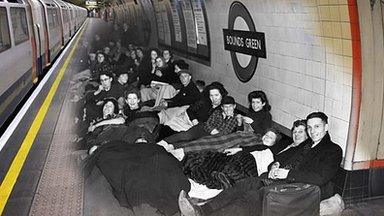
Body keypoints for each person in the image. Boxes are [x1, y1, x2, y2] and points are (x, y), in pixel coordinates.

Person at [178, 112, 342, 216]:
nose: (313, 131)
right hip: (282, 181)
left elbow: (320, 177)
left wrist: (287, 174)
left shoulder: (333, 150)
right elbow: (280, 158)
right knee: (247, 183)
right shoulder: (304, 145)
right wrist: (275, 166)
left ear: (326, 127)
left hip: (303, 190)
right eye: (310, 127)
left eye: (317, 126)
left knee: (252, 197)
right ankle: (202, 210)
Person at [181, 128, 282, 190]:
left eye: (270, 137)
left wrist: (239, 149)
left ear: (274, 143)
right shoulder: (256, 142)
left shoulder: (269, 151)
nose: (266, 137)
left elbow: (259, 151)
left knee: (226, 167)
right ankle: (191, 166)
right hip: (235, 158)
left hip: (247, 165)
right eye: (266, 135)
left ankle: (221, 180)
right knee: (206, 156)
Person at [158, 95, 238, 147]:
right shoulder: (217, 112)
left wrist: (215, 131)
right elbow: (208, 124)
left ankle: (170, 147)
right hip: (202, 128)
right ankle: (163, 142)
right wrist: (213, 130)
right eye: (225, 107)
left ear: (234, 106)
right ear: (222, 108)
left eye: (230, 107)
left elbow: (225, 132)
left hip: (211, 137)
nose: (228, 109)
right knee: (186, 136)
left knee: (190, 143)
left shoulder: (235, 118)